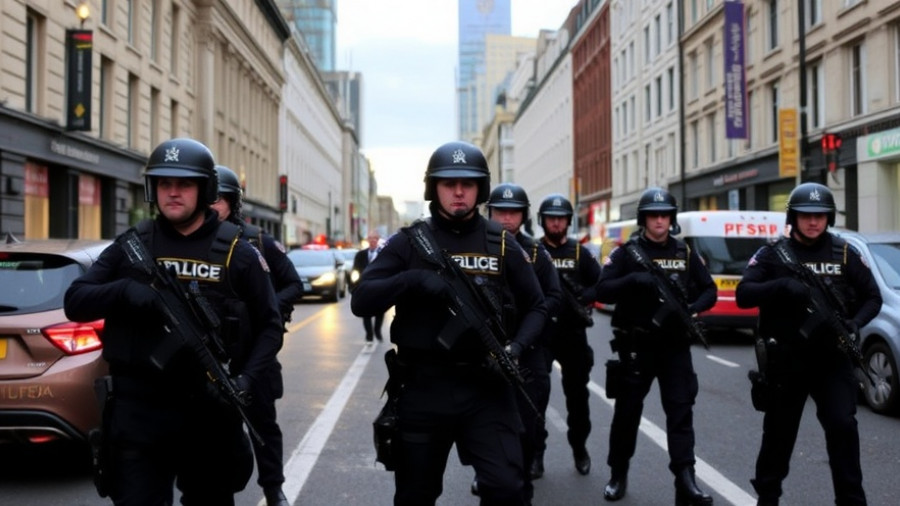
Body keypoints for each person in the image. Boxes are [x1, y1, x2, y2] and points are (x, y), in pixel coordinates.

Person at [64, 138, 284, 505]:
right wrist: (123, 291)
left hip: (207, 412)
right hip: (139, 411)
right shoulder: (132, 246)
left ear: (206, 189)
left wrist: (246, 379)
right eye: (164, 183)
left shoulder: (238, 253)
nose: (173, 193)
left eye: (184, 184)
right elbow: (76, 302)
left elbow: (269, 326)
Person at [350, 141, 547, 506]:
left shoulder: (501, 243)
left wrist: (516, 348)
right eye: (448, 183)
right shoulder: (409, 243)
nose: (458, 192)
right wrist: (410, 280)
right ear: (433, 188)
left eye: (468, 184)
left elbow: (537, 306)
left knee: (508, 488)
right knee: (415, 496)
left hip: (487, 388)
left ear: (480, 189)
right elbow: (362, 299)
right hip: (425, 387)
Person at [735, 182, 882, 506]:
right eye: (805, 215)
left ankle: (852, 500)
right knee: (779, 435)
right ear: (793, 217)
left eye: (820, 215)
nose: (813, 221)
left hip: (833, 360)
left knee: (843, 428)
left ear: (828, 217)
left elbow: (873, 297)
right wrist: (781, 286)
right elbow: (744, 295)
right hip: (786, 362)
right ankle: (767, 497)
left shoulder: (844, 252)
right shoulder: (773, 253)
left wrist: (855, 323)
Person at [591, 187, 716, 505]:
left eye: (664, 215)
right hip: (637, 347)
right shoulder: (626, 253)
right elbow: (602, 290)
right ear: (643, 219)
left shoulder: (684, 253)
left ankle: (686, 480)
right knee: (627, 414)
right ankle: (618, 473)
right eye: (653, 215)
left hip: (675, 348)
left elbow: (709, 291)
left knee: (681, 413)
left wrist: (689, 309)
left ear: (671, 219)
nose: (659, 220)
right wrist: (632, 281)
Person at [211, 164, 304, 506]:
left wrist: (267, 308)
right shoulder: (194, 243)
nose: (211, 205)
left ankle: (273, 487)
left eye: (218, 199)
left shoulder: (258, 241)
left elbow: (295, 282)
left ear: (232, 203)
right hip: (211, 354)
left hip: (256, 355)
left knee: (263, 428)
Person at [470, 183, 562, 502]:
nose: (506, 218)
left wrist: (527, 321)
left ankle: (524, 477)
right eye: (500, 212)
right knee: (482, 422)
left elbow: (552, 296)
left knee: (527, 422)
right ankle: (487, 474)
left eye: (513, 212)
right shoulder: (478, 247)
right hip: (485, 351)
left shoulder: (537, 253)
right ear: (489, 212)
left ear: (523, 216)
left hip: (527, 350)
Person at [535, 193, 601, 476]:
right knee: (536, 397)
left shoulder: (580, 253)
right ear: (542, 221)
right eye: (551, 218)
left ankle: (579, 448)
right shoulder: (532, 251)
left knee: (577, 399)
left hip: (573, 335)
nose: (556, 223)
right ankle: (535, 454)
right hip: (541, 334)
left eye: (561, 218)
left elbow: (601, 285)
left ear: (568, 222)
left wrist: (585, 297)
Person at [352, 231, 385, 343]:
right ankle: (369, 335)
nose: (372, 240)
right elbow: (355, 271)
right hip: (364, 288)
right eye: (370, 238)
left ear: (378, 240)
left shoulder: (383, 254)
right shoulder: (360, 255)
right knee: (366, 312)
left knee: (379, 311)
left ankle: (377, 331)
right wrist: (354, 286)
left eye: (374, 238)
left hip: (379, 287)